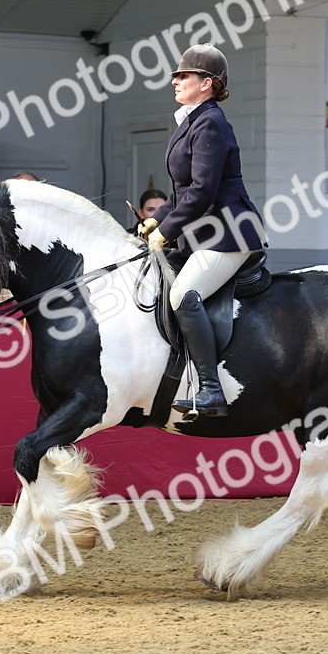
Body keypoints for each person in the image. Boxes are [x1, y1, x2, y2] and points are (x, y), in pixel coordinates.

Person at [138, 44, 267, 417]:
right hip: (203, 232)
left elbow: (202, 191)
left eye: (184, 76)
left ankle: (211, 390)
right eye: (176, 76)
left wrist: (167, 229)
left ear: (207, 83)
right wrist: (157, 218)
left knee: (183, 294)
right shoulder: (190, 120)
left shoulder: (211, 121)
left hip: (228, 231)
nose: (176, 81)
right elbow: (181, 191)